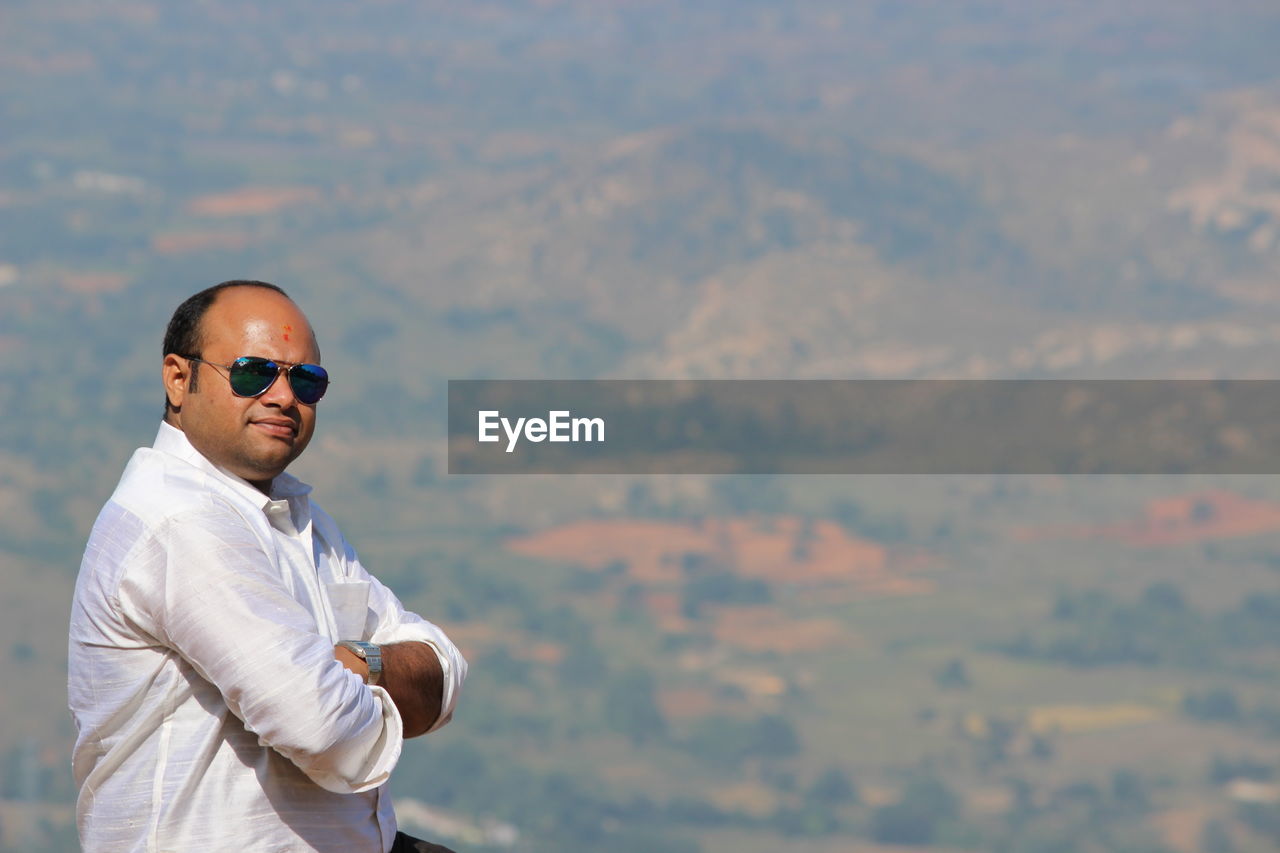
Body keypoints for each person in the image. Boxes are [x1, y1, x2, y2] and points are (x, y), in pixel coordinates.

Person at [68, 280, 467, 852]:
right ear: (179, 379)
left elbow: (446, 673)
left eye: (306, 381)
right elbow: (320, 727)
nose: (283, 397)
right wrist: (365, 681)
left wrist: (357, 664)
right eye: (253, 373)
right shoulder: (180, 522)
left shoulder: (301, 520)